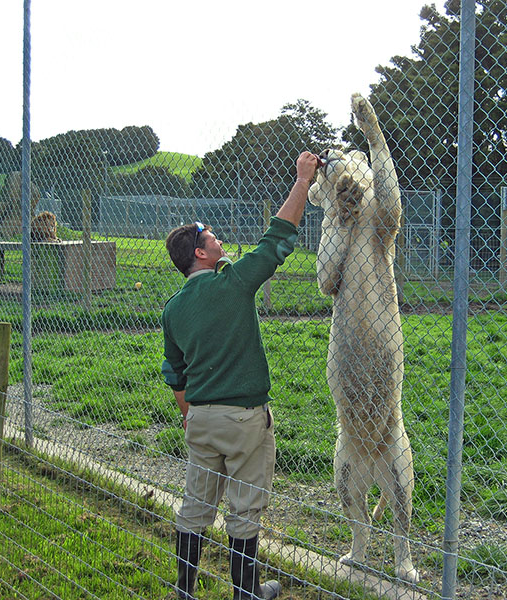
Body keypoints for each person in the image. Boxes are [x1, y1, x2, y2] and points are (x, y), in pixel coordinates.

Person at [161, 151, 320, 600]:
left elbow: (175, 374)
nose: (218, 239)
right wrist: (303, 179)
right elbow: (278, 237)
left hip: (201, 421)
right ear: (200, 252)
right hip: (244, 419)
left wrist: (189, 415)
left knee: (195, 507)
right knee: (244, 511)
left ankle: (184, 591)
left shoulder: (173, 309)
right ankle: (247, 594)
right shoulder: (232, 282)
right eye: (212, 237)